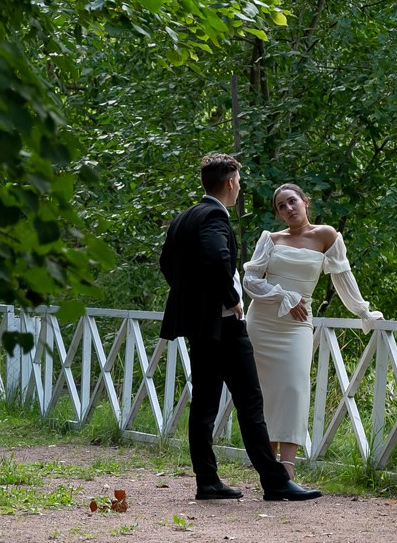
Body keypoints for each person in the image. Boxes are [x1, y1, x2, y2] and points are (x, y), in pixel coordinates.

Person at [158, 154, 324, 502]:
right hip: (225, 327)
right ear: (231, 182)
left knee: (204, 404)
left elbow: (166, 262)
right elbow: (218, 257)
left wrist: (193, 301)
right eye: (239, 181)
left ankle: (207, 480)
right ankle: (275, 481)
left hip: (200, 326)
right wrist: (229, 297)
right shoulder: (216, 217)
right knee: (250, 401)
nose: (239, 187)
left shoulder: (185, 217)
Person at [242, 183, 384, 480]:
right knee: (264, 395)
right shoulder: (270, 239)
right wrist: (285, 296)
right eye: (281, 206)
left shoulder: (326, 235)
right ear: (278, 214)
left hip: (296, 326)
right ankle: (268, 470)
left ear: (305, 202)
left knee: (294, 390)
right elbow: (251, 281)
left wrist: (363, 311)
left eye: (292, 201)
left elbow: (343, 278)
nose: (288, 208)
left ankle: (288, 471)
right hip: (263, 323)